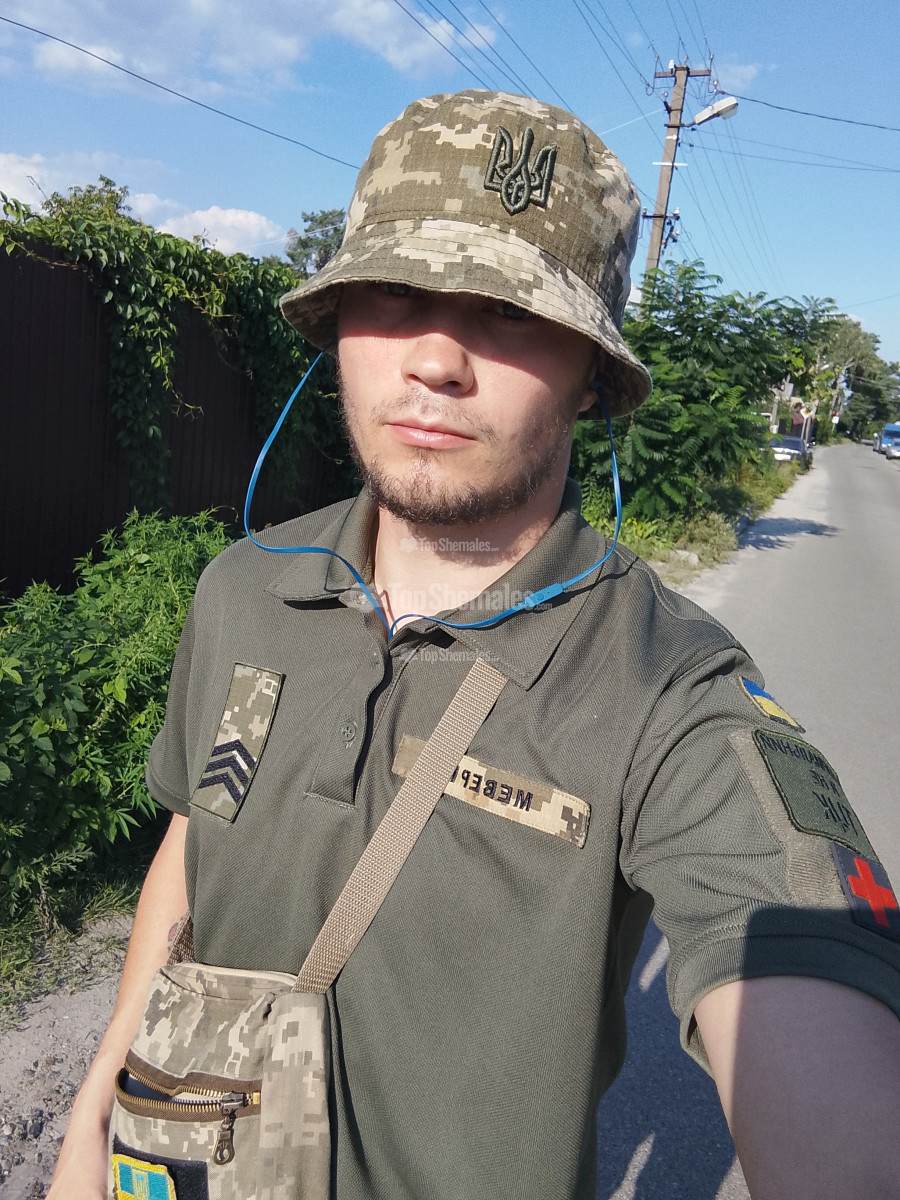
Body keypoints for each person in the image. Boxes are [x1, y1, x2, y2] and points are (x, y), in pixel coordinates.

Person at [51, 89, 900, 1200]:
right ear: (338, 320)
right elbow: (192, 843)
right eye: (396, 293)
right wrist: (94, 1112)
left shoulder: (665, 691)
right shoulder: (244, 590)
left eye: (509, 312)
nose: (438, 359)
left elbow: (795, 952)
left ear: (592, 376)